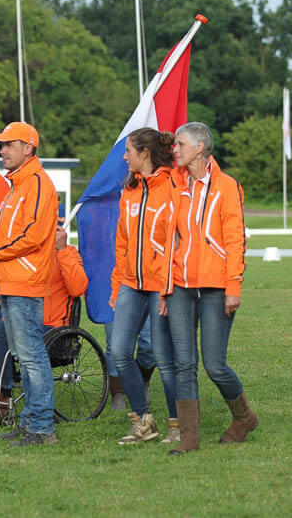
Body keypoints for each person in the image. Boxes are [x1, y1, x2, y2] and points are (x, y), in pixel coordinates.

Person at [163, 122, 257, 454]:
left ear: (200, 148)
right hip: (180, 287)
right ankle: (189, 438)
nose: (175, 149)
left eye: (181, 144)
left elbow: (235, 241)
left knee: (214, 365)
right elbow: (169, 239)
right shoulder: (176, 184)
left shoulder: (227, 187)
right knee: (183, 364)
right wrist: (164, 287)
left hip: (217, 288)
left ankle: (244, 417)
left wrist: (233, 287)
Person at [0, 121, 59, 447]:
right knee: (25, 356)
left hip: (24, 282)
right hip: (11, 281)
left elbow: (31, 236)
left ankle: (42, 428)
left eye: (9, 144)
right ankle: (31, 422)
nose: (3, 150)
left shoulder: (36, 184)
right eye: (2, 144)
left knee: (32, 357)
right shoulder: (18, 184)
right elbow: (14, 228)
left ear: (29, 148)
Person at [0, 225, 88, 421]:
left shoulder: (67, 252)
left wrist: (61, 250)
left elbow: (78, 287)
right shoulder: (22, 254)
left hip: (51, 329)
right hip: (16, 323)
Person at [108, 127, 178, 445]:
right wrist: (116, 287)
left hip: (161, 286)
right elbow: (122, 243)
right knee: (119, 350)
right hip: (131, 284)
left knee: (164, 356)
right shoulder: (130, 189)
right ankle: (144, 421)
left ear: (144, 153)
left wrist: (169, 286)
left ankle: (178, 425)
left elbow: (178, 241)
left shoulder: (173, 187)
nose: (124, 157)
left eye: (129, 151)